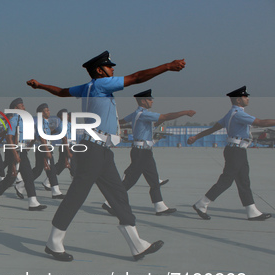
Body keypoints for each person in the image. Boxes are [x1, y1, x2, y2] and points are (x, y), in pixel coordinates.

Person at [27, 51, 186, 261]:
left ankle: (137, 244)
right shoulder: (102, 85)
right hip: (93, 150)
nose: (113, 70)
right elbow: (137, 78)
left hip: (102, 151)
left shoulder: (87, 87)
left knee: (119, 195)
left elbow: (61, 92)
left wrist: (40, 86)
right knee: (77, 196)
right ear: (100, 71)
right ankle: (54, 242)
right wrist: (166, 66)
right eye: (110, 67)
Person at [102, 89, 195, 216]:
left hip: (144, 152)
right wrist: (186, 112)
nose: (152, 101)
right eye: (150, 99)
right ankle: (109, 202)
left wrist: (108, 123)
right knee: (130, 180)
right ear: (143, 101)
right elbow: (166, 116)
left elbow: (123, 121)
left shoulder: (136, 114)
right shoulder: (144, 114)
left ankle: (160, 206)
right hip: (141, 152)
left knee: (154, 180)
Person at [188, 86, 274, 221]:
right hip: (236, 151)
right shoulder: (239, 114)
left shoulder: (230, 114)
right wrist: (196, 137)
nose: (248, 99)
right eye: (245, 97)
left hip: (237, 150)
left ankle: (252, 211)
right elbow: (261, 122)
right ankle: (201, 204)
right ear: (239, 100)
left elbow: (213, 129)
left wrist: (196, 137)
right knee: (226, 180)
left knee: (244, 181)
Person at [0, 98, 47, 211]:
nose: (24, 107)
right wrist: (15, 154)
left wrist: (26, 148)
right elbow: (9, 138)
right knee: (11, 177)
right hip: (13, 150)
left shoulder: (22, 120)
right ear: (15, 108)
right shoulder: (14, 120)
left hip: (21, 150)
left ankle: (33, 202)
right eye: (21, 106)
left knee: (27, 176)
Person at [30, 103, 64, 199]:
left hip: (45, 148)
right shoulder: (41, 122)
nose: (49, 112)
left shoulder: (45, 122)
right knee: (50, 170)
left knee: (39, 170)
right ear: (41, 112)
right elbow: (42, 137)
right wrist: (47, 150)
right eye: (47, 110)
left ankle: (21, 185)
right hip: (44, 148)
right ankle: (55, 192)